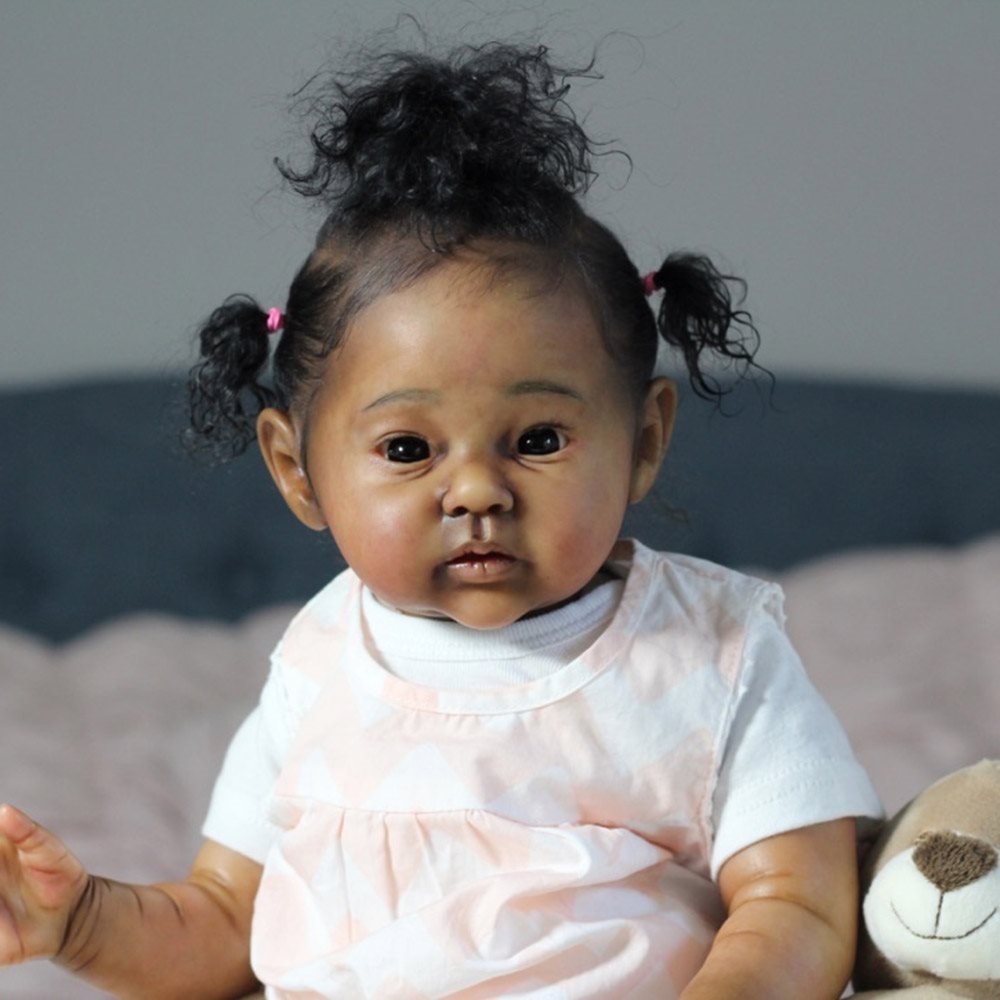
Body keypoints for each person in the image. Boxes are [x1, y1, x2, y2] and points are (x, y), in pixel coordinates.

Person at [0, 40, 881, 999]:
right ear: (297, 472)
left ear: (643, 440)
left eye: (537, 439)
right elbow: (220, 923)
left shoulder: (716, 656)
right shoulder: (317, 668)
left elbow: (800, 908)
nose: (475, 492)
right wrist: (79, 920)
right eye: (408, 449)